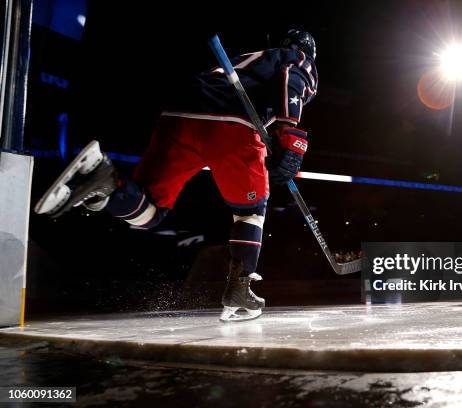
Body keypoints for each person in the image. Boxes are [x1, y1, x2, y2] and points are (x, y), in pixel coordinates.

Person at [34, 29, 319, 322]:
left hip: (180, 114)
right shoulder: (296, 57)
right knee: (250, 212)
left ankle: (106, 187)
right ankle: (239, 288)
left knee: (151, 211)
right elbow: (292, 79)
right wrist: (290, 136)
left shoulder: (246, 59)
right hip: (232, 124)